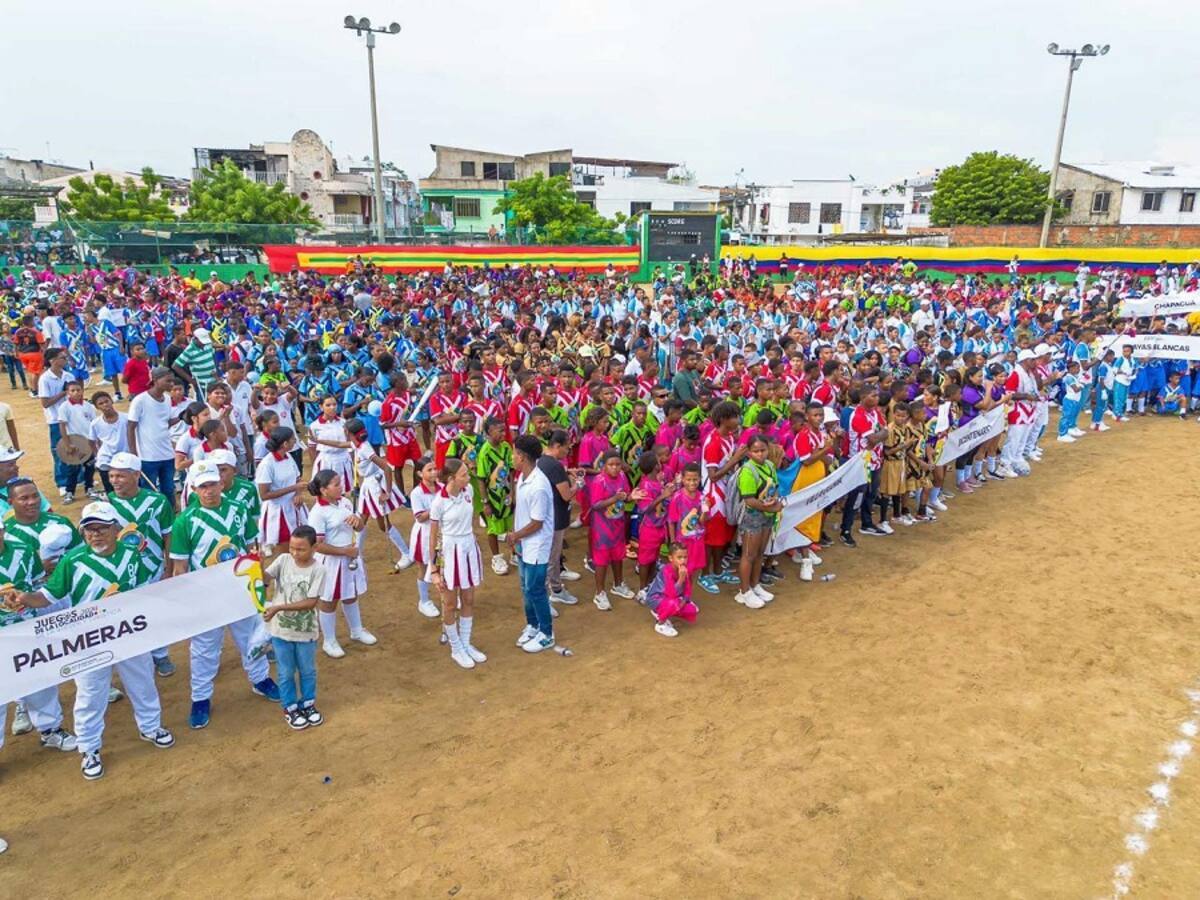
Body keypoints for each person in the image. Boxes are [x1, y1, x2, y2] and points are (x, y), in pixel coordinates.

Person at [3, 501, 175, 781]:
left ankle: (151, 727)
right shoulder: (73, 560)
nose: (95, 534)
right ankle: (90, 748)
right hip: (89, 639)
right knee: (90, 693)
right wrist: (25, 598)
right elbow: (48, 596)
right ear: (82, 533)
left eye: (102, 528)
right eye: (89, 529)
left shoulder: (132, 554)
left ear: (116, 530)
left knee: (142, 681)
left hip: (129, 633)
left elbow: (141, 591)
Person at [171, 459, 278, 730]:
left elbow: (252, 547)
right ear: (193, 489)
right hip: (206, 596)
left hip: (241, 588)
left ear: (221, 483)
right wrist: (186, 599)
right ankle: (200, 697)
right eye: (202, 486)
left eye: (213, 484)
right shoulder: (185, 521)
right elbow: (181, 565)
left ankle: (260, 679)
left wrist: (259, 582)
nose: (209, 491)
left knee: (250, 637)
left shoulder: (239, 509)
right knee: (205, 649)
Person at [0, 518, 79, 758]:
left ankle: (50, 730)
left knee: (41, 680)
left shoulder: (23, 549)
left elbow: (36, 582)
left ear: (2, 529)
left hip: (27, 628)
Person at [106, 452, 178, 678]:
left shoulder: (157, 501)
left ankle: (160, 654)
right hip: (121, 573)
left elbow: (168, 535)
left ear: (136, 475)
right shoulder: (106, 503)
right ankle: (133, 656)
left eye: (120, 476)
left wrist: (169, 568)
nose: (115, 481)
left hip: (153, 567)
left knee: (155, 613)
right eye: (111, 476)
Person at [261, 525, 326, 730]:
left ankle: (307, 703)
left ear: (314, 547)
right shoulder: (282, 560)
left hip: (306, 631)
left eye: (301, 549)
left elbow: (310, 602)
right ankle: (290, 707)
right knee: (285, 672)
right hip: (281, 631)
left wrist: (278, 607)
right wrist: (258, 566)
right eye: (292, 548)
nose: (295, 553)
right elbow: (264, 580)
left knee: (307, 670)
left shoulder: (319, 570)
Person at [307, 469, 374, 658]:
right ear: (323, 490)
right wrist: (344, 551)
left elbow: (360, 527)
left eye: (340, 482)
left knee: (350, 594)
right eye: (336, 484)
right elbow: (317, 545)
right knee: (329, 600)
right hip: (331, 563)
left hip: (349, 558)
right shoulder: (318, 513)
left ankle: (357, 630)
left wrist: (358, 522)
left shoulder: (344, 502)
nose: (341, 486)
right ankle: (329, 640)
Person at [427, 458, 486, 669]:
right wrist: (434, 569)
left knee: (468, 599)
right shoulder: (438, 502)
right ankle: (456, 647)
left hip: (468, 548)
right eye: (463, 474)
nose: (468, 477)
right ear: (452, 478)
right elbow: (433, 538)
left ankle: (466, 642)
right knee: (450, 603)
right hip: (449, 553)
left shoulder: (468, 490)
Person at [508, 434, 556, 653]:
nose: (512, 457)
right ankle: (533, 625)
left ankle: (547, 633)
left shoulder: (538, 485)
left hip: (536, 545)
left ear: (522, 456)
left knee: (535, 589)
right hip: (524, 544)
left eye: (514, 453)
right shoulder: (523, 477)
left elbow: (537, 523)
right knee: (525, 588)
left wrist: (516, 535)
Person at [347, 417, 414, 571]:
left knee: (383, 525)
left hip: (375, 487)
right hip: (368, 487)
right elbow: (340, 444)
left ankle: (407, 554)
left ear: (350, 433)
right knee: (361, 519)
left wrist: (387, 492)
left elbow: (386, 467)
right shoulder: (355, 444)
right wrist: (319, 440)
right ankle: (356, 553)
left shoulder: (365, 449)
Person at [734, 435, 782, 609]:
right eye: (756, 451)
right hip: (752, 516)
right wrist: (771, 508)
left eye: (763, 450)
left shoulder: (770, 466)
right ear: (749, 453)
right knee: (748, 554)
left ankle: (755, 585)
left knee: (760, 552)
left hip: (766, 515)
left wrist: (774, 500)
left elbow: (775, 487)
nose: (760, 454)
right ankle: (744, 591)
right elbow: (749, 500)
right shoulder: (747, 471)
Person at [536, 429, 581, 605]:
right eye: (566, 448)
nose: (568, 451)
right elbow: (567, 495)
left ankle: (555, 588)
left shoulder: (542, 461)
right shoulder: (554, 466)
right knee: (551, 559)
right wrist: (578, 484)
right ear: (556, 446)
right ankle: (550, 593)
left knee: (552, 557)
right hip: (555, 517)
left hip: (549, 515)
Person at [587, 450, 636, 610]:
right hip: (602, 528)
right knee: (601, 561)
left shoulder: (622, 477)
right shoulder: (599, 481)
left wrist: (632, 496)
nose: (615, 468)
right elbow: (595, 505)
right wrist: (614, 499)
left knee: (618, 556)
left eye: (617, 464)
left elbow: (626, 495)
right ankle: (599, 593)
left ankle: (618, 584)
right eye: (611, 465)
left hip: (618, 525)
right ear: (604, 466)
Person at [127, 366, 179, 500]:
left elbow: (164, 423)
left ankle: (169, 515)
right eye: (168, 381)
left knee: (168, 489)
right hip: (148, 456)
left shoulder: (167, 399)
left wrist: (181, 417)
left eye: (172, 381)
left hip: (167, 453)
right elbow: (131, 427)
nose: (171, 384)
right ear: (155, 380)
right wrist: (134, 453)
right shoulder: (140, 400)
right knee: (149, 491)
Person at [254, 426, 307, 556]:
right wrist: (293, 489)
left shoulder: (288, 456)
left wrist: (298, 494)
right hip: (277, 513)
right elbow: (264, 495)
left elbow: (297, 478)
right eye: (293, 439)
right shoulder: (267, 464)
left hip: (294, 507)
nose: (295, 441)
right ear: (285, 444)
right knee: (285, 552)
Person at [477, 416, 514, 575]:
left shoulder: (506, 447)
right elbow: (480, 479)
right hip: (493, 497)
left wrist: (512, 491)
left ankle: (514, 553)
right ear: (489, 433)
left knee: (511, 525)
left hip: (506, 494)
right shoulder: (485, 452)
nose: (503, 433)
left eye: (504, 430)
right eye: (499, 431)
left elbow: (511, 471)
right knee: (493, 528)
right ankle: (496, 557)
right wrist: (485, 502)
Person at [407, 454, 442, 619]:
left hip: (442, 532)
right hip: (425, 534)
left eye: (435, 469)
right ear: (420, 474)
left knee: (445, 564)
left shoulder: (442, 487)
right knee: (424, 567)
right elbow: (419, 517)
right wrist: (437, 508)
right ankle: (424, 601)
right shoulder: (416, 493)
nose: (434, 472)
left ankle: (448, 595)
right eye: (430, 470)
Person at [643, 544, 699, 638]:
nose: (683, 560)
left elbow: (688, 588)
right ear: (671, 558)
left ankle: (662, 611)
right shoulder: (666, 571)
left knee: (691, 610)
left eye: (685, 557)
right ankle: (660, 623)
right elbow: (671, 593)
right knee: (673, 604)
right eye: (679, 557)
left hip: (672, 597)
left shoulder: (685, 569)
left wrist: (685, 600)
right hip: (655, 598)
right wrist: (681, 579)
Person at [37, 348, 72, 503]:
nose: (65, 360)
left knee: (75, 446)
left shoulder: (68, 375)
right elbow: (45, 403)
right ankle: (62, 482)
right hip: (55, 419)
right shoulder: (45, 379)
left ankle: (77, 478)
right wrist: (63, 393)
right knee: (59, 451)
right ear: (52, 360)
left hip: (71, 418)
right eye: (62, 357)